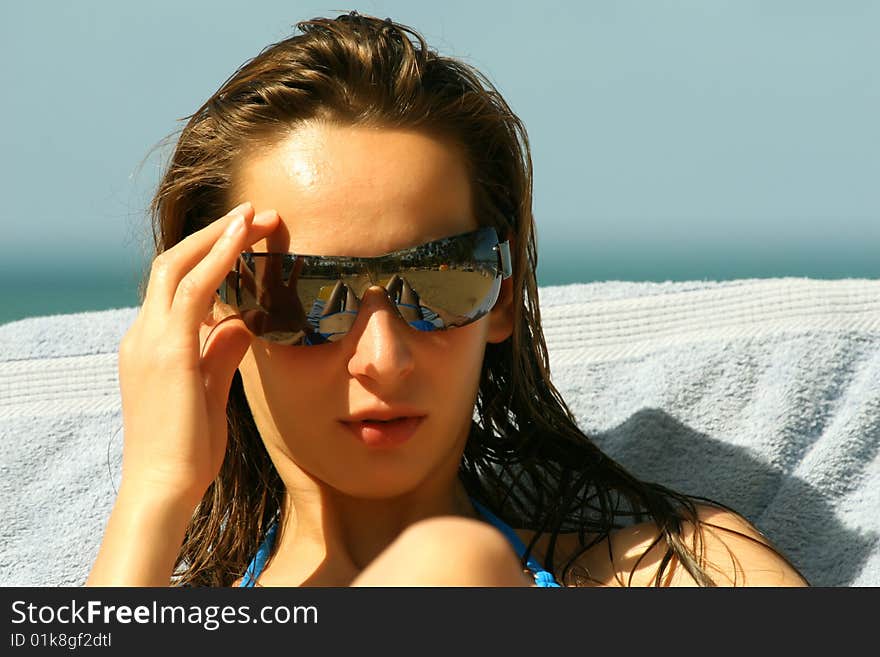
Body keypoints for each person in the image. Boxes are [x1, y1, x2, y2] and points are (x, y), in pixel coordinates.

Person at [86, 11, 808, 587]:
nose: (383, 358)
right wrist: (154, 490)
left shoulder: (681, 574)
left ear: (501, 296)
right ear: (216, 311)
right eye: (304, 295)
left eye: (439, 280)